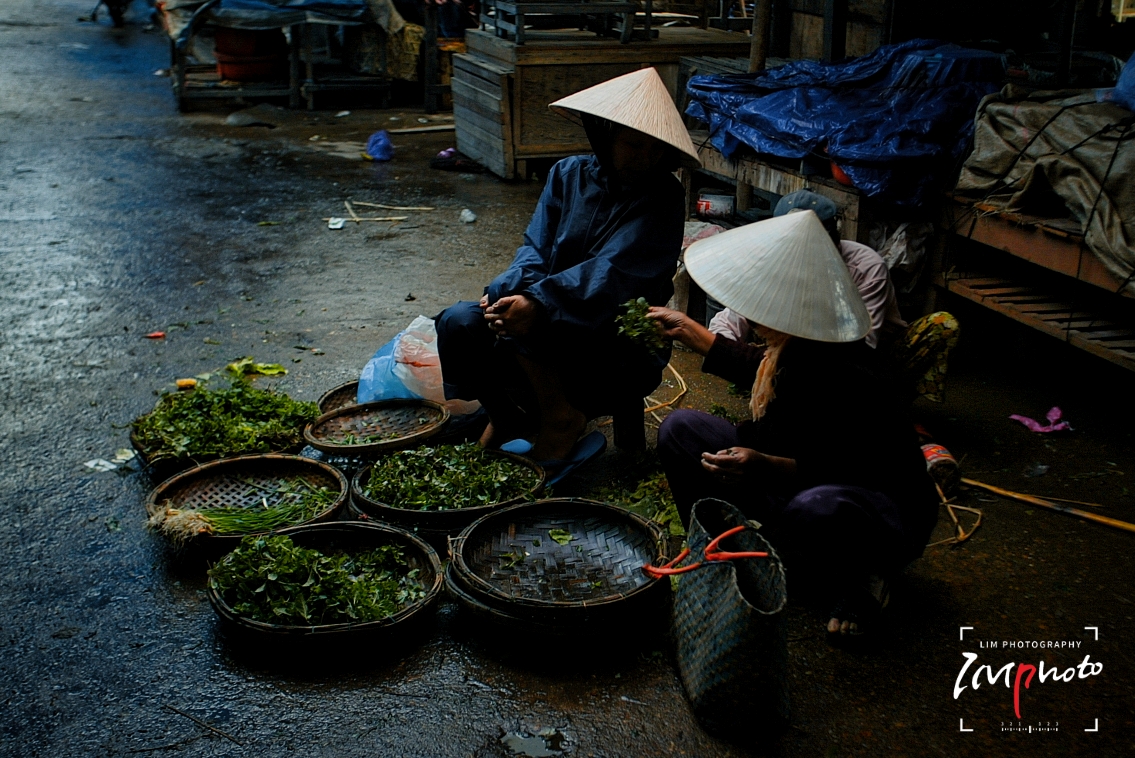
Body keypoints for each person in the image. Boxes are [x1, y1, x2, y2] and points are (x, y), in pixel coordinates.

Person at [653, 211, 939, 641]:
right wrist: (689, 330)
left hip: (872, 506)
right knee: (680, 429)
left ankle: (865, 578)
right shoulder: (789, 347)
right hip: (789, 472)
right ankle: (719, 547)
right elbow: (758, 364)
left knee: (816, 508)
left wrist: (763, 464)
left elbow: (842, 467)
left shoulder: (850, 369)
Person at [435, 68, 701, 464]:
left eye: (654, 149)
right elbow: (536, 247)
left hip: (613, 338)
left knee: (531, 322)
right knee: (459, 322)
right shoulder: (567, 174)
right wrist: (508, 290)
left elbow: (614, 274)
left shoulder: (663, 196)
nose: (644, 158)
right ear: (605, 136)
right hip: (548, 316)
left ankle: (560, 418)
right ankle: (506, 417)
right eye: (633, 145)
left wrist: (540, 303)